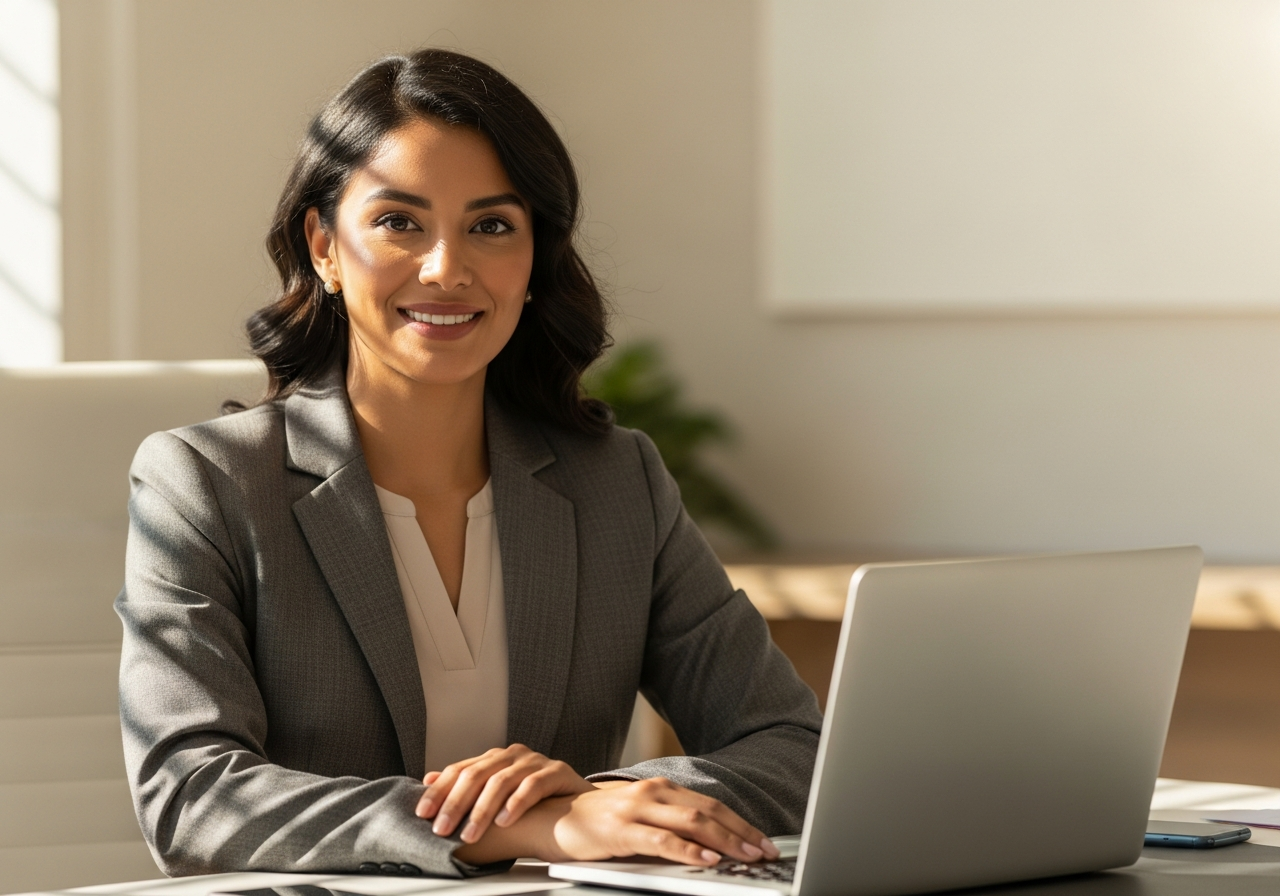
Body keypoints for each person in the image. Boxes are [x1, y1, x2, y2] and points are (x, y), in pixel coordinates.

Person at [116, 48, 821, 878]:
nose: (447, 268)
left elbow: (793, 748)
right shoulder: (205, 484)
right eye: (398, 222)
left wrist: (604, 797)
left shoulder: (616, 483)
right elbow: (191, 795)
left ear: (534, 261)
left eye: (491, 226)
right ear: (324, 248)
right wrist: (529, 828)